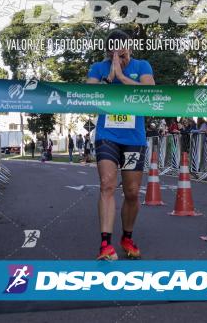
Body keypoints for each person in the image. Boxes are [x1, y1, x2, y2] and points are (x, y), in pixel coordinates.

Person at [86, 29, 155, 260]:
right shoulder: (98, 68)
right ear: (107, 50)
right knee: (107, 185)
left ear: (130, 47)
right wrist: (110, 76)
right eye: (113, 48)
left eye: (122, 47)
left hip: (134, 137)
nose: (118, 52)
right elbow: (89, 94)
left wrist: (123, 77)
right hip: (107, 134)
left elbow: (151, 91)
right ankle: (105, 244)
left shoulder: (142, 66)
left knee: (132, 192)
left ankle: (127, 236)